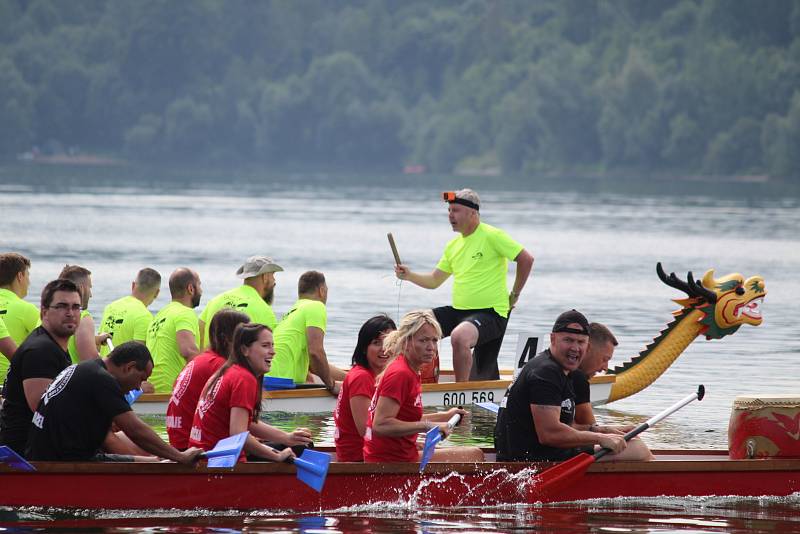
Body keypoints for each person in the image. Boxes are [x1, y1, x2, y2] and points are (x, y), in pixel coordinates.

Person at [394, 189, 534, 381]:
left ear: (473, 213)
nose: (451, 215)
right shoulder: (453, 246)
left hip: (491, 313)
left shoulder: (492, 235)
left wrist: (515, 294)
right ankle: (403, 379)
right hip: (459, 312)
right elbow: (434, 281)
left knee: (459, 337)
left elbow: (526, 259)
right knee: (411, 326)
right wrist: (409, 275)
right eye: (449, 210)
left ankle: (461, 392)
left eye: (456, 210)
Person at [494, 310, 653, 462]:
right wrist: (600, 438)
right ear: (553, 339)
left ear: (587, 345)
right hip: (531, 462)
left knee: (629, 442)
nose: (575, 348)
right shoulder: (545, 372)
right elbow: (549, 434)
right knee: (637, 449)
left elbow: (563, 426)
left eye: (580, 342)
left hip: (537, 454)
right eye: (568, 340)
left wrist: (600, 430)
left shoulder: (561, 370)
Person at [27, 341, 203, 464]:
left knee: (157, 460)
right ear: (129, 367)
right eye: (141, 379)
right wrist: (180, 456)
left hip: (45, 454)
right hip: (60, 463)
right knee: (164, 460)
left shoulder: (88, 367)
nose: (138, 387)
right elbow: (135, 430)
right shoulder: (102, 379)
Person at [363, 310, 484, 464]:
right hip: (389, 461)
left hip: (397, 454)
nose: (431, 347)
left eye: (434, 340)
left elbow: (406, 419)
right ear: (406, 342)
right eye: (424, 340)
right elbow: (380, 425)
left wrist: (445, 415)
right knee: (475, 455)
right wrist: (429, 426)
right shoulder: (401, 373)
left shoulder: (410, 370)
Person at [189, 323, 302, 463]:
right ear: (244, 350)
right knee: (302, 448)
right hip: (221, 462)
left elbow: (244, 423)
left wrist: (287, 438)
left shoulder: (226, 371)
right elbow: (238, 433)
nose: (273, 351)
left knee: (295, 444)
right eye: (265, 346)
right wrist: (276, 456)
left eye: (273, 345)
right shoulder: (244, 378)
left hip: (203, 456)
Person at [0, 279, 81, 455]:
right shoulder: (41, 351)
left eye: (76, 307)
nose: (70, 313)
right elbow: (42, 407)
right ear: (44, 312)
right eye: (61, 306)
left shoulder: (53, 345)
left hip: (41, 444)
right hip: (26, 453)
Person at [267, 271, 346, 393]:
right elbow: (316, 352)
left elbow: (315, 363)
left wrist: (350, 378)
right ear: (322, 290)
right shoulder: (316, 306)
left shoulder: (294, 310)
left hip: (267, 378)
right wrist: (331, 384)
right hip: (279, 382)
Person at [334, 314, 397, 462]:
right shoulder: (361, 378)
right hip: (359, 459)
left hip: (369, 453)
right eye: (376, 343)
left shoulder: (379, 376)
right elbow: (366, 430)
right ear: (364, 348)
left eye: (389, 342)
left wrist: (441, 417)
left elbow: (398, 420)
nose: (384, 349)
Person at [199, 256, 282, 349]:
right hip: (238, 363)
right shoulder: (264, 310)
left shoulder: (215, 300)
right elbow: (270, 352)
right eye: (273, 275)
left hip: (210, 361)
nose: (274, 281)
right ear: (265, 277)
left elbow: (199, 334)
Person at [147, 268, 202, 393]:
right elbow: (188, 351)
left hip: (152, 388)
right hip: (171, 390)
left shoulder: (160, 315)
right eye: (199, 285)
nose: (201, 290)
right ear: (191, 289)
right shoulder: (185, 313)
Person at [98, 268, 162, 356]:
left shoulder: (110, 307)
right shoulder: (145, 316)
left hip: (103, 366)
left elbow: (98, 345)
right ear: (157, 293)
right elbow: (139, 356)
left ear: (133, 285)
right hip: (123, 369)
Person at [0, 253, 40, 382]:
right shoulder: (26, 309)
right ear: (20, 276)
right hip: (10, 386)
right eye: (28, 275)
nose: (29, 282)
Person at [58, 265, 110, 363]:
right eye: (89, 287)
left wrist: (94, 340)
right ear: (81, 288)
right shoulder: (81, 317)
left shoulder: (47, 316)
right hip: (72, 378)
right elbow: (92, 364)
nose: (91, 294)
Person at [574, 322, 619, 426]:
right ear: (587, 349)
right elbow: (592, 427)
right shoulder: (577, 378)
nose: (605, 368)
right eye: (604, 359)